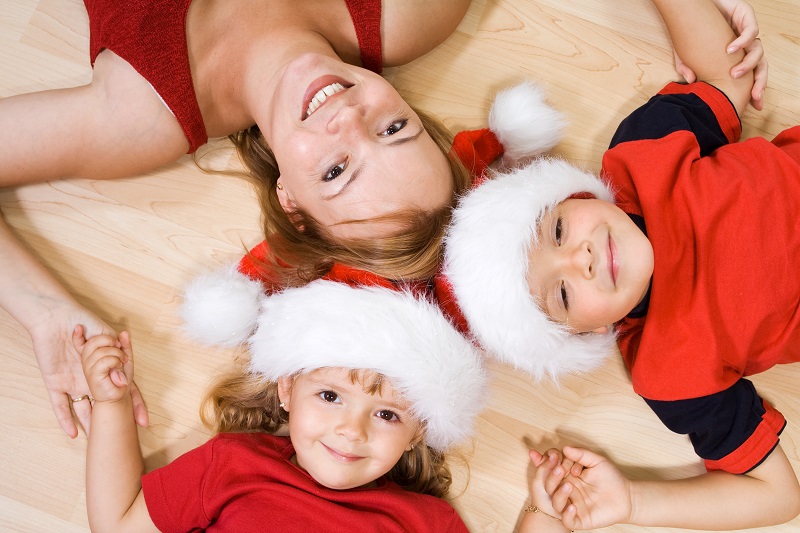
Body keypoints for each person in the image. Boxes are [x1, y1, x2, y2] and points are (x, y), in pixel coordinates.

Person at [0, 0, 476, 438]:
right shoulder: (411, 13)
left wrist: (44, 311)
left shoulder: (140, 117)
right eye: (394, 128)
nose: (348, 115)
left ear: (290, 198)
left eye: (336, 171)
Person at [438, 0, 800, 528]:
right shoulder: (670, 372)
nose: (579, 259)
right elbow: (776, 494)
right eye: (562, 294)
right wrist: (633, 501)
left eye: (558, 230)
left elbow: (728, 76)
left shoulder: (639, 154)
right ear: (591, 332)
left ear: (579, 195)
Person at [76, 279, 489, 532]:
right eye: (330, 396)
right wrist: (111, 403)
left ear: (419, 430)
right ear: (288, 388)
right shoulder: (234, 466)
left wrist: (539, 517)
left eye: (386, 414)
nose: (351, 430)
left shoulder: (425, 522)